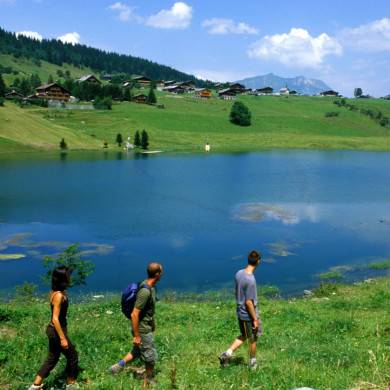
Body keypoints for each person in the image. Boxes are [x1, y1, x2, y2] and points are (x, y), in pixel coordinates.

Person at [109, 262, 163, 384]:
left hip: (145, 326)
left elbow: (148, 309)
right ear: (157, 274)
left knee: (138, 351)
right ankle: (148, 381)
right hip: (142, 329)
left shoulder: (149, 286)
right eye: (161, 271)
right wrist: (137, 336)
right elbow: (134, 314)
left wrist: (152, 322)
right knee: (150, 357)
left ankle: (117, 367)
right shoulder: (146, 292)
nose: (162, 274)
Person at [28, 266, 79, 390]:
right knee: (72, 357)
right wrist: (62, 338)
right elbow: (55, 318)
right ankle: (70, 384)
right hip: (57, 331)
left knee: (53, 358)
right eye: (68, 275)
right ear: (63, 278)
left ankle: (35, 386)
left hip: (55, 330)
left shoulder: (58, 292)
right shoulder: (58, 296)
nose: (70, 277)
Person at [218, 250, 263, 369]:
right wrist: (254, 319)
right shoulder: (251, 280)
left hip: (240, 313)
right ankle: (252, 363)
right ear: (258, 262)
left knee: (244, 335)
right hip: (248, 316)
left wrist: (239, 304)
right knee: (253, 339)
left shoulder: (239, 273)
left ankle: (227, 354)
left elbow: (235, 291)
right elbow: (249, 302)